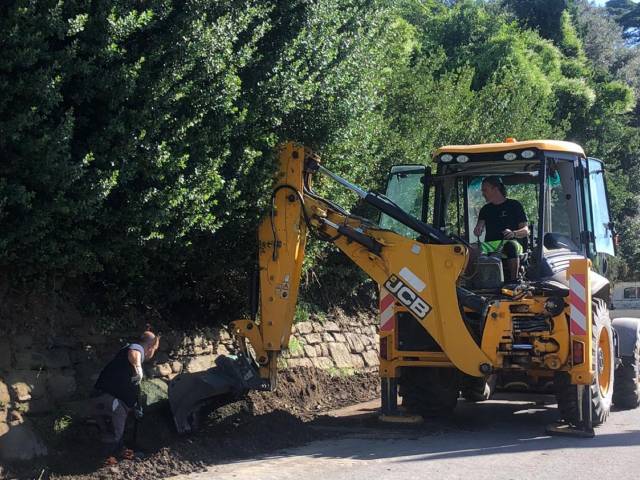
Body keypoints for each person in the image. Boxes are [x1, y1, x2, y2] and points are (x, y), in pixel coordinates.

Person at [92, 330, 159, 465]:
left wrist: (135, 405)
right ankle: (108, 464)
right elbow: (134, 352)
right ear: (151, 347)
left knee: (110, 434)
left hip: (101, 399)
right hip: (111, 401)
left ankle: (111, 459)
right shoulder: (137, 348)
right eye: (155, 349)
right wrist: (138, 368)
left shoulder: (125, 358)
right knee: (115, 434)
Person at [473, 177, 529, 281]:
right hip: (491, 245)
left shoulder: (514, 205)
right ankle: (475, 282)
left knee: (510, 246)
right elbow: (479, 226)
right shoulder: (485, 209)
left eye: (485, 190)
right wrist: (477, 230)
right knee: (471, 250)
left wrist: (513, 233)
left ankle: (514, 280)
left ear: (495, 189)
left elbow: (526, 230)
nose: (483, 193)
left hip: (514, 243)